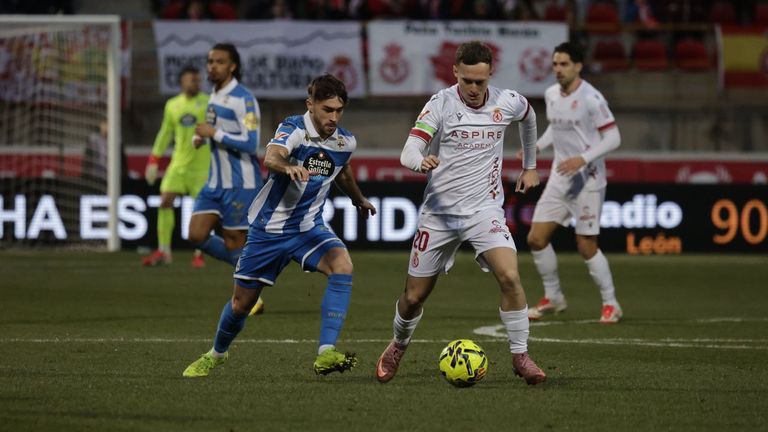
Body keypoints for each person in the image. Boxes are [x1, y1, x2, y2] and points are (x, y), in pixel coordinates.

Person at [375, 41, 546, 386]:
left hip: (484, 209)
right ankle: (398, 344)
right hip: (440, 215)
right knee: (413, 297)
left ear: (490, 75)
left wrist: (530, 166)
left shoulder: (507, 101)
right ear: (455, 72)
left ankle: (520, 355)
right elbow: (410, 148)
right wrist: (419, 162)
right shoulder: (441, 103)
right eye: (466, 80)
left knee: (510, 277)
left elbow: (529, 117)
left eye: (479, 82)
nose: (472, 88)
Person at [182, 74, 376, 378]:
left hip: (308, 228)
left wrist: (358, 199)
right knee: (240, 304)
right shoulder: (294, 128)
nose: (333, 117)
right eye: (327, 110)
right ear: (310, 105)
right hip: (269, 230)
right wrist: (288, 166)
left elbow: (342, 171)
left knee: (342, 265)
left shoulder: (345, 140)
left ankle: (326, 353)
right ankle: (216, 353)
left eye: (339, 110)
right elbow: (272, 157)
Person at [524, 42, 623, 324]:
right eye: (555, 64)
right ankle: (553, 297)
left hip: (588, 179)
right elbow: (556, 128)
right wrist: (537, 147)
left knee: (586, 245)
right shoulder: (551, 94)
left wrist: (583, 158)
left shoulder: (592, 98)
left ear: (578, 66)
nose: (558, 69)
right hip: (560, 176)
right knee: (536, 238)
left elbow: (614, 138)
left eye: (564, 64)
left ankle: (611, 303)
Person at [187, 43, 265, 314]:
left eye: (219, 62)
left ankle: (250, 294)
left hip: (241, 184)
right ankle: (253, 279)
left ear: (232, 66)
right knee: (195, 235)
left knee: (234, 242)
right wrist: (201, 136)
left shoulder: (244, 99)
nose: (212, 66)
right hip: (214, 183)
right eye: (210, 61)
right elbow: (216, 128)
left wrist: (213, 134)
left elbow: (252, 143)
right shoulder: (214, 95)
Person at [142, 66, 210, 268]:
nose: (195, 83)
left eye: (198, 80)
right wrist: (153, 160)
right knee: (165, 202)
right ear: (182, 82)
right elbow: (165, 133)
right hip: (178, 165)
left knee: (202, 211)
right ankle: (164, 251)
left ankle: (199, 253)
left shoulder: (208, 103)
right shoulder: (172, 105)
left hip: (202, 167)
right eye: (192, 80)